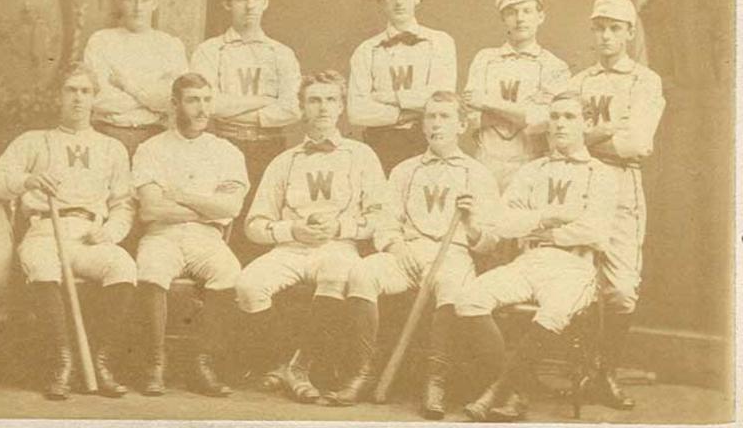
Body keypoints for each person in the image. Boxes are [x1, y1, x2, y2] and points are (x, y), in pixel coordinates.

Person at [327, 91, 500, 420]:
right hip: (407, 251)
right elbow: (385, 223)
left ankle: (436, 382)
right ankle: (362, 372)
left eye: (445, 117)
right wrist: (397, 247)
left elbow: (490, 242)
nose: (436, 124)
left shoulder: (479, 174)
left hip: (453, 254)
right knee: (362, 273)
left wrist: (472, 223)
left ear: (462, 125)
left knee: (452, 287)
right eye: (430, 116)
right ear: (422, 125)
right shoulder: (404, 170)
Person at [454, 91, 618, 421]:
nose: (560, 124)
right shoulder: (532, 171)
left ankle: (498, 391)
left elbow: (596, 230)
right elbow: (502, 222)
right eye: (554, 116)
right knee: (469, 299)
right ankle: (514, 389)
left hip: (576, 266)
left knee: (553, 312)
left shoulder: (601, 173)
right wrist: (545, 218)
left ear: (587, 123)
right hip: (530, 260)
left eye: (569, 117)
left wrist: (546, 231)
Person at [0, 67, 136, 400]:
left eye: (85, 91)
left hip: (90, 234)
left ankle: (98, 362)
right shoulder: (34, 141)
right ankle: (62, 363)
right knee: (42, 265)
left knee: (123, 266)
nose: (78, 98)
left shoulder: (112, 148)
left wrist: (109, 232)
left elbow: (123, 204)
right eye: (70, 90)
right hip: (45, 231)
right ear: (58, 96)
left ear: (95, 98)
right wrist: (27, 181)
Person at [235, 70, 388, 403]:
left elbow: (380, 217)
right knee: (248, 286)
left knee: (338, 272)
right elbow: (254, 225)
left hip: (337, 246)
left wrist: (340, 228)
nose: (323, 107)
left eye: (331, 100)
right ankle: (284, 361)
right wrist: (292, 230)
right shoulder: (284, 161)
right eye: (314, 100)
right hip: (289, 249)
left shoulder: (361, 155)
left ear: (342, 107)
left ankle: (300, 365)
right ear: (302, 107)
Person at [567, 0, 665, 410]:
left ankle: (607, 373)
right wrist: (605, 134)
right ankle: (584, 370)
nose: (606, 36)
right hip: (581, 183)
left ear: (628, 33)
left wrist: (586, 139)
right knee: (576, 280)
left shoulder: (645, 80)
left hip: (622, 183)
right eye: (599, 28)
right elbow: (562, 140)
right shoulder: (578, 82)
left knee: (622, 289)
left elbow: (637, 144)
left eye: (614, 29)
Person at [133, 73, 249, 397]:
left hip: (206, 237)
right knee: (151, 269)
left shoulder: (226, 151)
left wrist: (182, 196)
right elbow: (150, 210)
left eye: (207, 100)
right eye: (193, 100)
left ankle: (201, 364)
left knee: (229, 271)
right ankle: (155, 363)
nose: (202, 109)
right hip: (162, 235)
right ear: (175, 104)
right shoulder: (151, 149)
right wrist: (208, 207)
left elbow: (231, 207)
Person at [190, 0, 302, 262]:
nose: (250, 5)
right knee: (221, 220)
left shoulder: (281, 53)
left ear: (266, 2)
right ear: (227, 3)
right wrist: (264, 100)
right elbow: (208, 106)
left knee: (264, 220)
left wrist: (237, 109)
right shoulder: (209, 51)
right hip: (224, 144)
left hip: (269, 147)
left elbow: (292, 108)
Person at [348, 0, 457, 173]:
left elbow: (442, 99)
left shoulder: (440, 42)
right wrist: (407, 113)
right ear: (382, 1)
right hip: (380, 145)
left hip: (428, 140)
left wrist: (385, 97)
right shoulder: (366, 50)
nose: (399, 1)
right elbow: (357, 112)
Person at [463, 0, 571, 192]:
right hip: (486, 163)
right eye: (512, 12)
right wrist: (523, 113)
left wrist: (487, 103)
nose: (520, 18)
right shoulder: (484, 59)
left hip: (531, 165)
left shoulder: (555, 66)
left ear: (541, 17)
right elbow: (472, 118)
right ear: (503, 19)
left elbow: (542, 121)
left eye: (527, 11)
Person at [84, 0, 189, 157]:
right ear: (119, 1)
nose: (138, 7)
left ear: (155, 2)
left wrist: (127, 86)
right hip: (107, 135)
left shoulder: (170, 45)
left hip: (156, 137)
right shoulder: (101, 41)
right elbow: (98, 99)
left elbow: (173, 101)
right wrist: (151, 99)